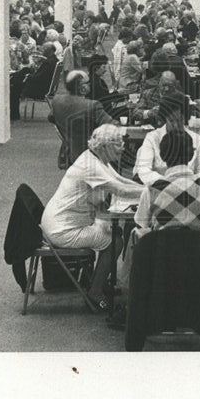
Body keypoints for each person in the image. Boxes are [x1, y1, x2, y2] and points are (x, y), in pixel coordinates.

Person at [40, 124, 145, 307]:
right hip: (62, 230)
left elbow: (121, 181)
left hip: (58, 222)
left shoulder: (95, 159)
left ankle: (100, 282)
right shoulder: (93, 167)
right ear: (104, 146)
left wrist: (149, 188)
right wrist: (155, 191)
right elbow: (121, 190)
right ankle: (95, 292)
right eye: (118, 144)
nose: (123, 147)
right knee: (116, 241)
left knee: (115, 233)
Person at [133, 130, 200, 235]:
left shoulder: (153, 189)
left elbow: (141, 223)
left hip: (164, 250)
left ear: (162, 155)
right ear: (192, 155)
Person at [134, 94, 200, 185]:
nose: (176, 125)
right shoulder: (152, 138)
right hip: (160, 189)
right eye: (172, 121)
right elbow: (144, 170)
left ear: (185, 118)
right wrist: (167, 182)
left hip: (188, 190)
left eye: (179, 120)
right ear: (165, 119)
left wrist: (188, 182)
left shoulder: (196, 139)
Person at [49, 69, 115, 168]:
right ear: (82, 87)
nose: (90, 85)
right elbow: (111, 125)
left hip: (69, 150)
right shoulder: (92, 105)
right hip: (92, 151)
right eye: (88, 83)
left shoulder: (57, 101)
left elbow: (51, 118)